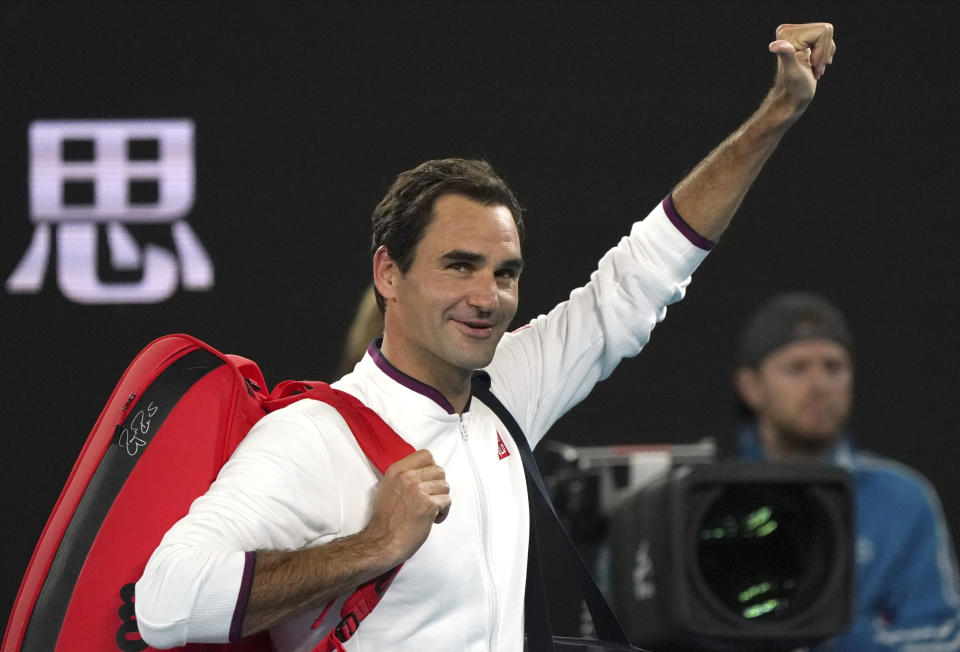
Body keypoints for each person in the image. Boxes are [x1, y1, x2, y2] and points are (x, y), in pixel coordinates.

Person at [135, 23, 837, 651]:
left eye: (506, 273)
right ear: (389, 272)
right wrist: (372, 545)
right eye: (460, 267)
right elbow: (162, 603)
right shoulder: (313, 437)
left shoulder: (507, 393)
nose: (488, 297)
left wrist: (775, 117)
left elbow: (640, 277)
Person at [733, 292, 960, 651]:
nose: (820, 385)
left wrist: (829, 633)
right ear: (751, 387)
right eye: (797, 368)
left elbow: (942, 640)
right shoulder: (713, 502)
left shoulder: (902, 501)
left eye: (833, 367)